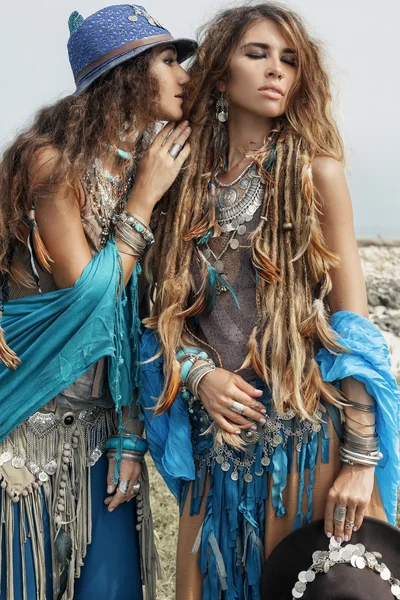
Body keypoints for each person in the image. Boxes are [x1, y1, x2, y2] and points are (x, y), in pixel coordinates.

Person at [140, 3, 400, 599]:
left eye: (288, 59)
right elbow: (155, 317)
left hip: (304, 444)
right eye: (256, 54)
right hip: (218, 449)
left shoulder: (316, 174)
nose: (275, 70)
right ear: (221, 76)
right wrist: (196, 373)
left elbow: (352, 324)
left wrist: (361, 459)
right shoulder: (179, 187)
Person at [0, 4, 195, 599]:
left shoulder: (140, 167)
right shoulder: (49, 161)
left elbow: (134, 321)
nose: (184, 74)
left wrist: (129, 437)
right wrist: (142, 202)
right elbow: (91, 299)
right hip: (22, 434)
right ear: (128, 73)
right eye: (168, 59)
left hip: (103, 434)